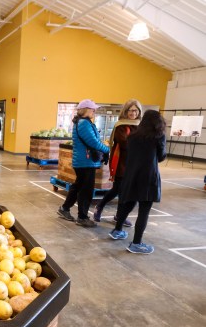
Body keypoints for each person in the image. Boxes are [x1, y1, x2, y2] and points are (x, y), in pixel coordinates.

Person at [109, 110, 166, 254]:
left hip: (131, 174)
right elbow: (161, 156)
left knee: (127, 204)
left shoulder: (132, 136)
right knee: (144, 211)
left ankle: (117, 230)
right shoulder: (158, 135)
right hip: (148, 176)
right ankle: (136, 243)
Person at [57, 99, 110, 227]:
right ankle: (82, 217)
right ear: (86, 110)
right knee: (86, 190)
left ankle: (64, 209)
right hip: (85, 162)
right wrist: (107, 149)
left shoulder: (81, 122)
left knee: (78, 186)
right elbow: (93, 142)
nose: (94, 111)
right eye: (93, 109)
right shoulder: (84, 124)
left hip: (82, 161)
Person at [93, 100, 142, 226]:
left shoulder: (141, 125)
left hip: (135, 163)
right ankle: (100, 207)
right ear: (126, 111)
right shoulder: (120, 125)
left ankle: (118, 216)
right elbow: (124, 143)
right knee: (118, 190)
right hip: (121, 163)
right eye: (131, 110)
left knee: (123, 191)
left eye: (136, 110)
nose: (133, 113)